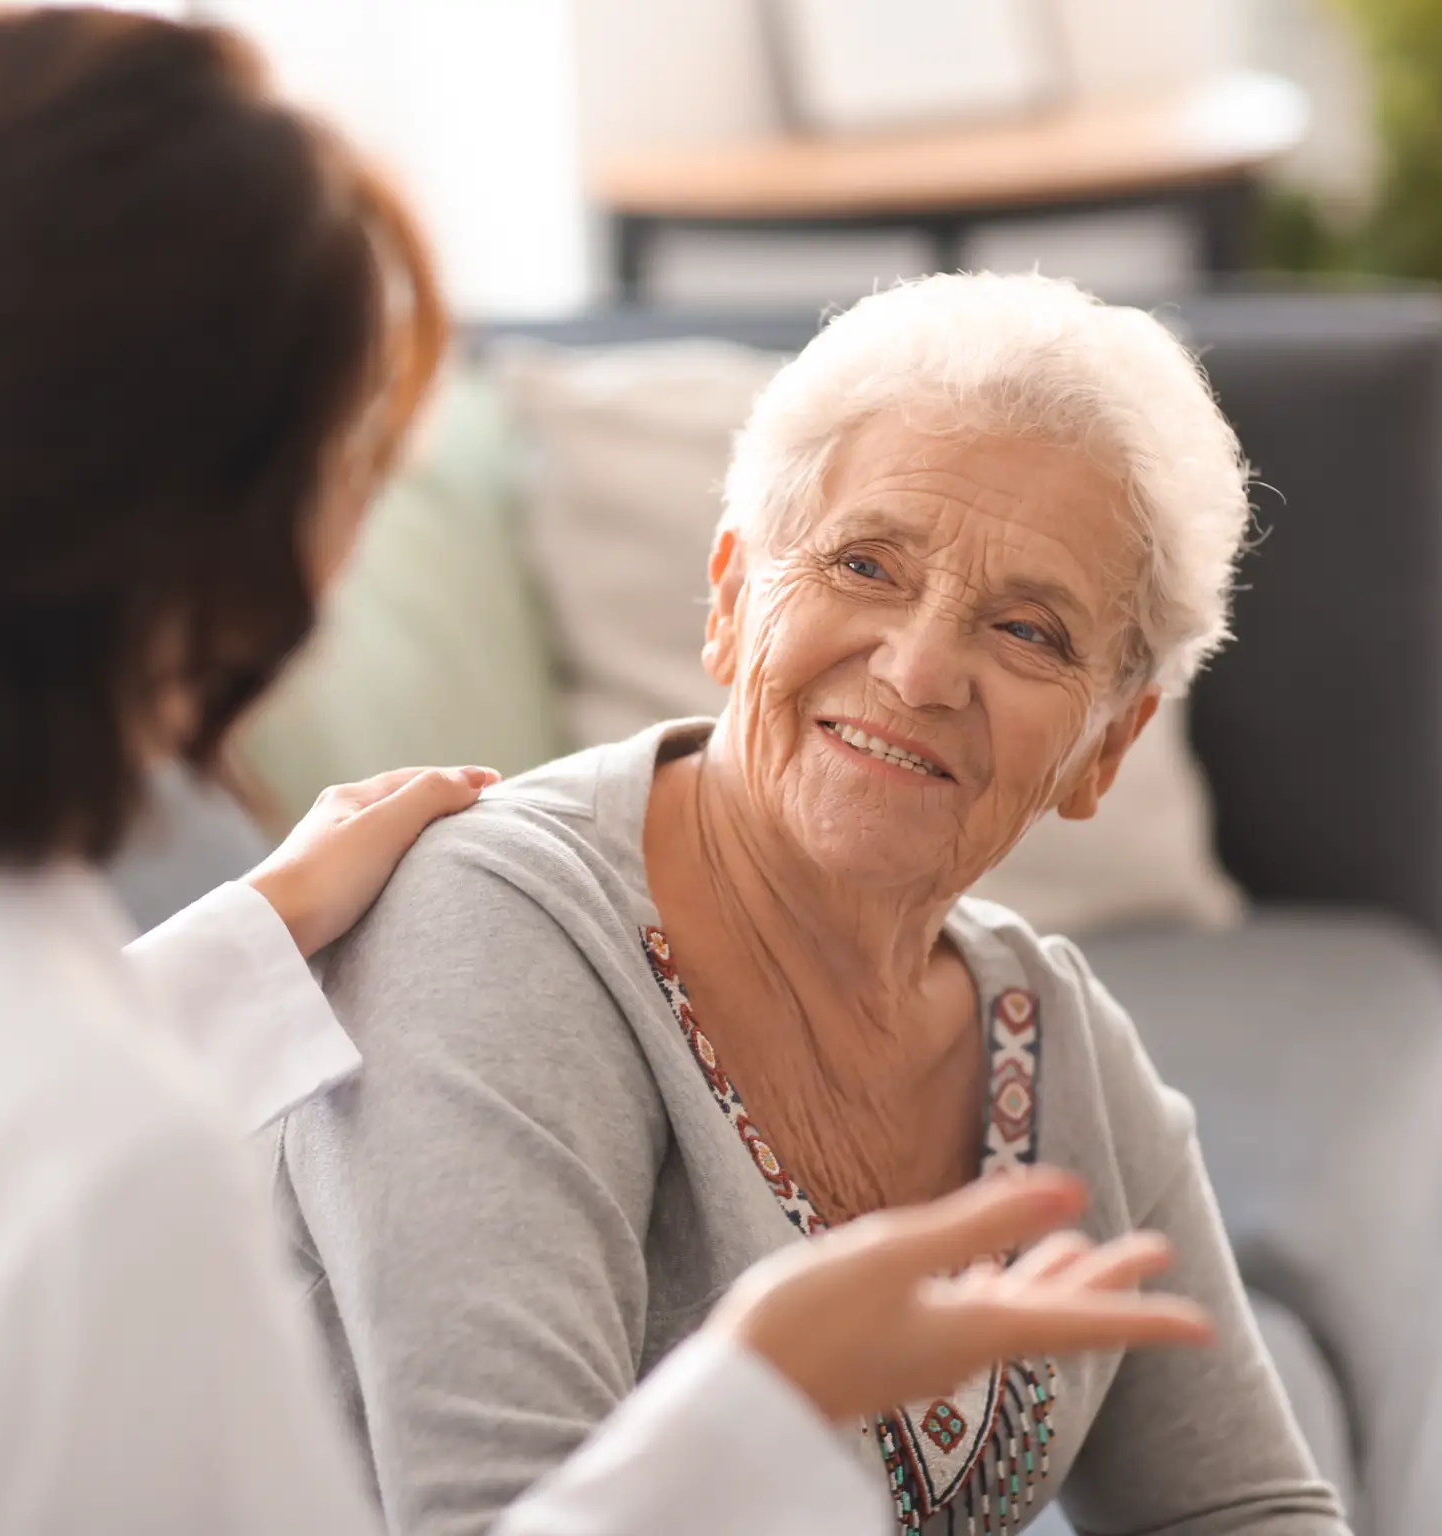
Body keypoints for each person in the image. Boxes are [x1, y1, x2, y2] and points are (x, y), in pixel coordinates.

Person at [0, 13, 1214, 1535]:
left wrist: (238, 950)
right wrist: (757, 1401)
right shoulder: (92, 1168)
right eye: (363, 443)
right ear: (248, 549)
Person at [272, 271, 1353, 1536]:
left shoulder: (1053, 1038)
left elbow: (1247, 1509)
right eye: (866, 564)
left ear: (1107, 749)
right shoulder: (495, 929)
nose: (921, 666)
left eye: (1029, 631)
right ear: (731, 601)